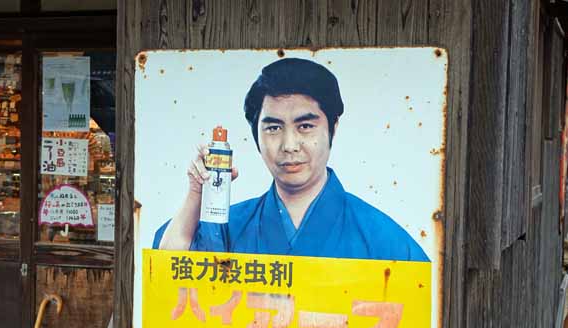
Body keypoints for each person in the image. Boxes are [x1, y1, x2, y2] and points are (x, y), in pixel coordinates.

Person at [153, 57, 428, 262]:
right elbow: (165, 276)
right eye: (273, 128)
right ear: (256, 135)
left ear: (332, 128)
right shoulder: (228, 229)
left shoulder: (384, 241)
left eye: (305, 126)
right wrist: (197, 193)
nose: (289, 145)